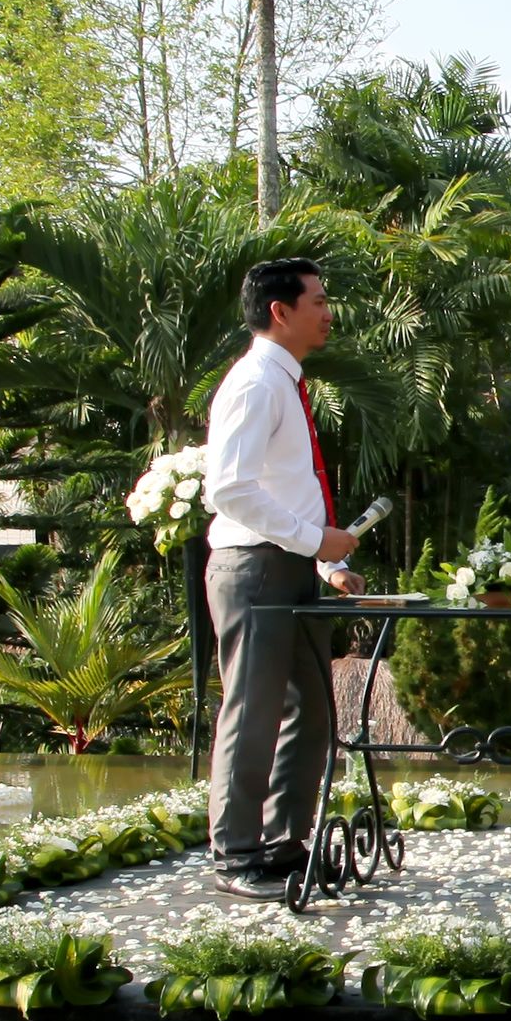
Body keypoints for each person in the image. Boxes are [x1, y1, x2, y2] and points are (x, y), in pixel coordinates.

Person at [201, 258, 361, 899]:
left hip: (292, 567)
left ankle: (282, 843)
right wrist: (311, 540)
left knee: (310, 709)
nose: (328, 313)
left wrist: (327, 560)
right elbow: (228, 488)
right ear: (280, 311)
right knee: (253, 708)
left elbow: (288, 488)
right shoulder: (256, 384)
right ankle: (236, 853)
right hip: (254, 569)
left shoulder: (286, 382)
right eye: (318, 301)